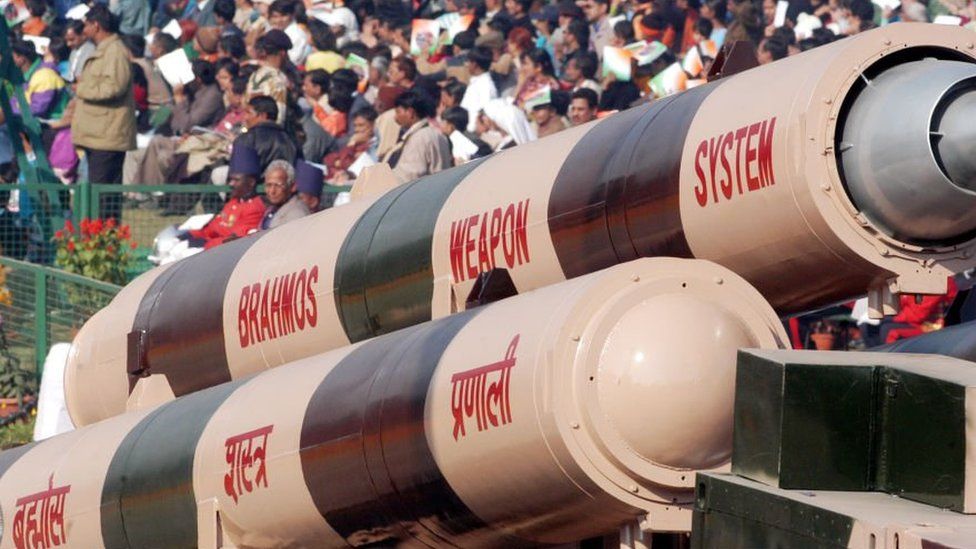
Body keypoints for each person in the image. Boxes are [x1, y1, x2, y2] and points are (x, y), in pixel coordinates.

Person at [72, 4, 136, 223]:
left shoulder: (115, 52)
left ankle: (103, 238)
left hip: (107, 136)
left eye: (86, 26)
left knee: (103, 197)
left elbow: (114, 87)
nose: (84, 30)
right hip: (99, 134)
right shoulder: (106, 50)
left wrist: (81, 89)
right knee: (101, 194)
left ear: (96, 25)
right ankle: (101, 237)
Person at [182, 144, 266, 248]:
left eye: (236, 180)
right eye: (230, 179)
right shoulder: (233, 202)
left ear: (251, 182)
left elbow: (234, 241)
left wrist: (205, 244)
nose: (230, 184)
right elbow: (213, 228)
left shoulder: (254, 208)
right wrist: (191, 234)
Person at [381, 89, 452, 183]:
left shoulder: (420, 137)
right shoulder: (437, 134)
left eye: (398, 112)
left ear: (410, 112)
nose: (395, 117)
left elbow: (409, 177)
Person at [233, 95, 300, 171]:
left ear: (262, 116)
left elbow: (239, 175)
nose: (245, 117)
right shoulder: (292, 141)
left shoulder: (247, 139)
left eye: (249, 113)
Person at [260, 159, 310, 229]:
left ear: (292, 187)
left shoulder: (296, 214)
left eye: (278, 185)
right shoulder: (272, 209)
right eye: (269, 185)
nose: (272, 191)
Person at [460, 46, 498, 132]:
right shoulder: (475, 82)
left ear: (474, 64)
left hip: (474, 134)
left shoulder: (486, 86)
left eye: (468, 62)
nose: (466, 65)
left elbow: (486, 114)